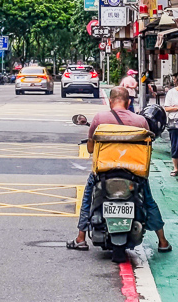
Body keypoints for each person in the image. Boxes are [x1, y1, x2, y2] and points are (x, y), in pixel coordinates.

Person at [67, 87, 171, 253]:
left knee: (87, 197)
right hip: (134, 173)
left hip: (104, 172)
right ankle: (162, 241)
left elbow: (91, 149)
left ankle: (80, 238)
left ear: (110, 101)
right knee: (149, 201)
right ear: (128, 102)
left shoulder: (100, 118)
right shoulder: (140, 121)